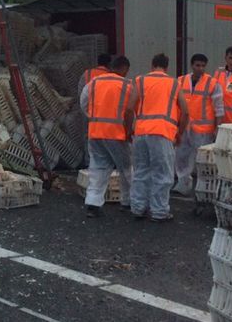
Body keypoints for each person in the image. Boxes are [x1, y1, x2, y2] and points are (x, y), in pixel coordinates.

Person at [129, 53, 189, 222]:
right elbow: (185, 111)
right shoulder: (174, 83)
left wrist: (129, 130)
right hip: (162, 133)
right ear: (167, 67)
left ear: (152, 65)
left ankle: (138, 208)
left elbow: (129, 107)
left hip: (141, 133)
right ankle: (159, 212)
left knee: (141, 171)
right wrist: (180, 133)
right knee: (163, 174)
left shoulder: (140, 80)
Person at [79, 55, 134, 217]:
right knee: (126, 168)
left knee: (98, 168)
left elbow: (83, 102)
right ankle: (128, 202)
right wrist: (130, 130)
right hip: (117, 134)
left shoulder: (94, 83)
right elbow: (132, 110)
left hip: (96, 132)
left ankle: (93, 203)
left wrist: (93, 117)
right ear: (125, 68)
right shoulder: (127, 85)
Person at [174, 53, 223, 196]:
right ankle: (183, 184)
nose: (200, 68)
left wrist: (217, 128)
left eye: (203, 66)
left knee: (203, 159)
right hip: (184, 126)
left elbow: (219, 108)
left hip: (203, 129)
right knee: (181, 156)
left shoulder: (212, 83)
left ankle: (203, 187)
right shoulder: (180, 81)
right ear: (192, 65)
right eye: (197, 65)